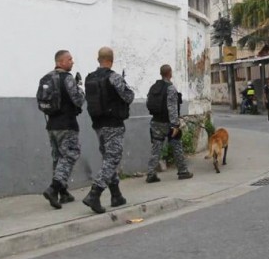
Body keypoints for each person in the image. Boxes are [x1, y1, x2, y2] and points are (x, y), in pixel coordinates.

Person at [83, 46, 135, 213]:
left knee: (108, 158)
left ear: (98, 59)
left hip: (98, 124)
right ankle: (94, 194)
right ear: (111, 61)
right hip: (113, 124)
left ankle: (116, 195)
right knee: (112, 158)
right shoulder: (114, 77)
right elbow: (129, 96)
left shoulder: (89, 78)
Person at [39, 50, 85, 209]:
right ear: (60, 62)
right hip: (67, 124)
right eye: (69, 59)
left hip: (52, 124)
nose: (72, 61)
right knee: (70, 155)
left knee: (58, 158)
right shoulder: (67, 78)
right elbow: (78, 100)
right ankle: (54, 189)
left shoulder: (46, 78)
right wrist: (80, 88)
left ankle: (63, 192)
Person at [146, 64, 190, 183]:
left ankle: (151, 174)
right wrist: (175, 125)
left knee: (156, 148)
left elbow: (148, 103)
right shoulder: (170, 88)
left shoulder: (153, 87)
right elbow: (172, 108)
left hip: (155, 121)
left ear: (161, 73)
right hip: (168, 123)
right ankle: (183, 171)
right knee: (177, 146)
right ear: (170, 73)